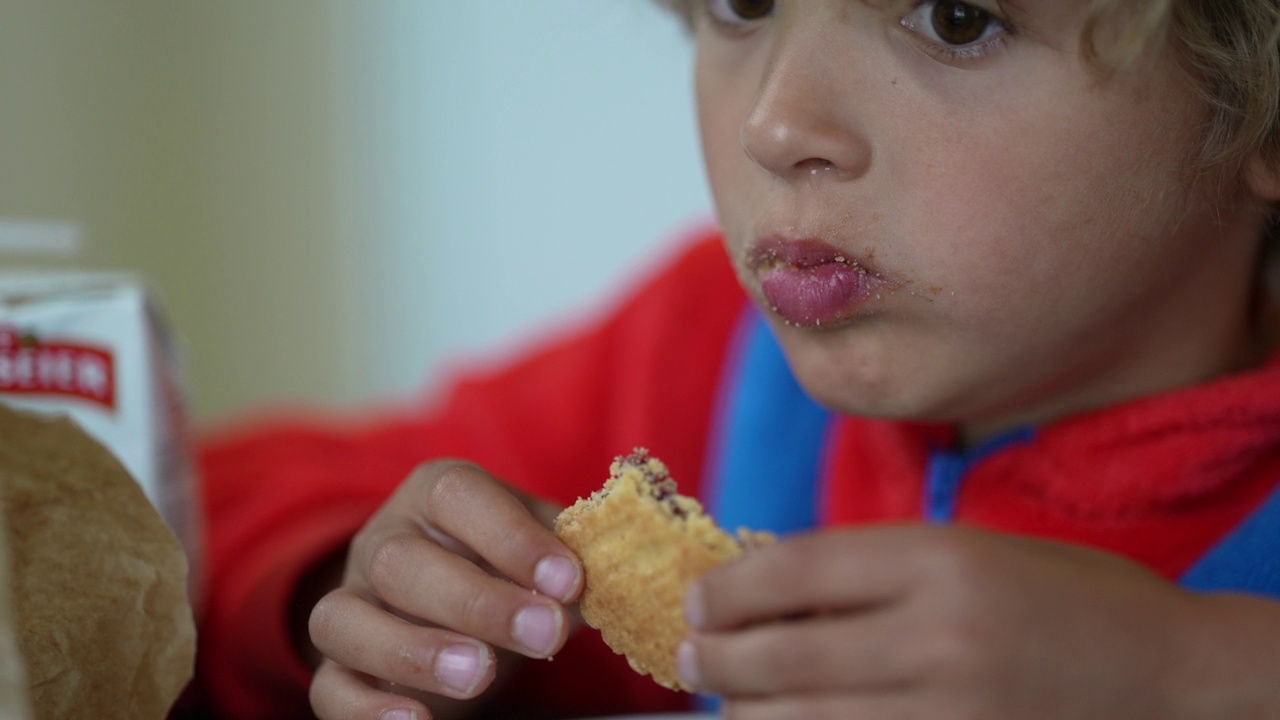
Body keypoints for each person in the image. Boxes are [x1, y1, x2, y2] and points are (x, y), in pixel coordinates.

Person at [192, 0, 1280, 718]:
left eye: (956, 19)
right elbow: (187, 501)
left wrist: (1192, 674)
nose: (773, 121)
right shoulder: (710, 353)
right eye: (743, 4)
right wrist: (367, 593)